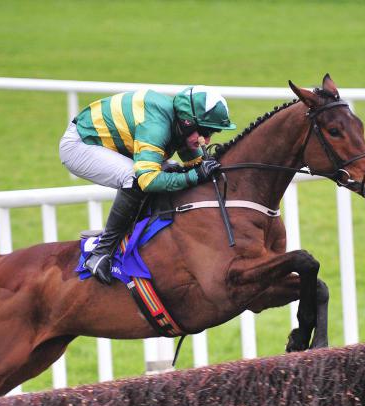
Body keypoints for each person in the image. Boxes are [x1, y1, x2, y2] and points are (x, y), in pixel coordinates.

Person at [59, 85, 236, 284]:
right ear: (187, 122)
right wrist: (194, 176)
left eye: (212, 132)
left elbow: (197, 167)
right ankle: (102, 252)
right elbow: (148, 180)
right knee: (135, 179)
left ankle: (139, 236)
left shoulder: (180, 126)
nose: (206, 140)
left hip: (113, 144)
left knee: (173, 171)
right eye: (204, 131)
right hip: (81, 144)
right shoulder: (157, 125)